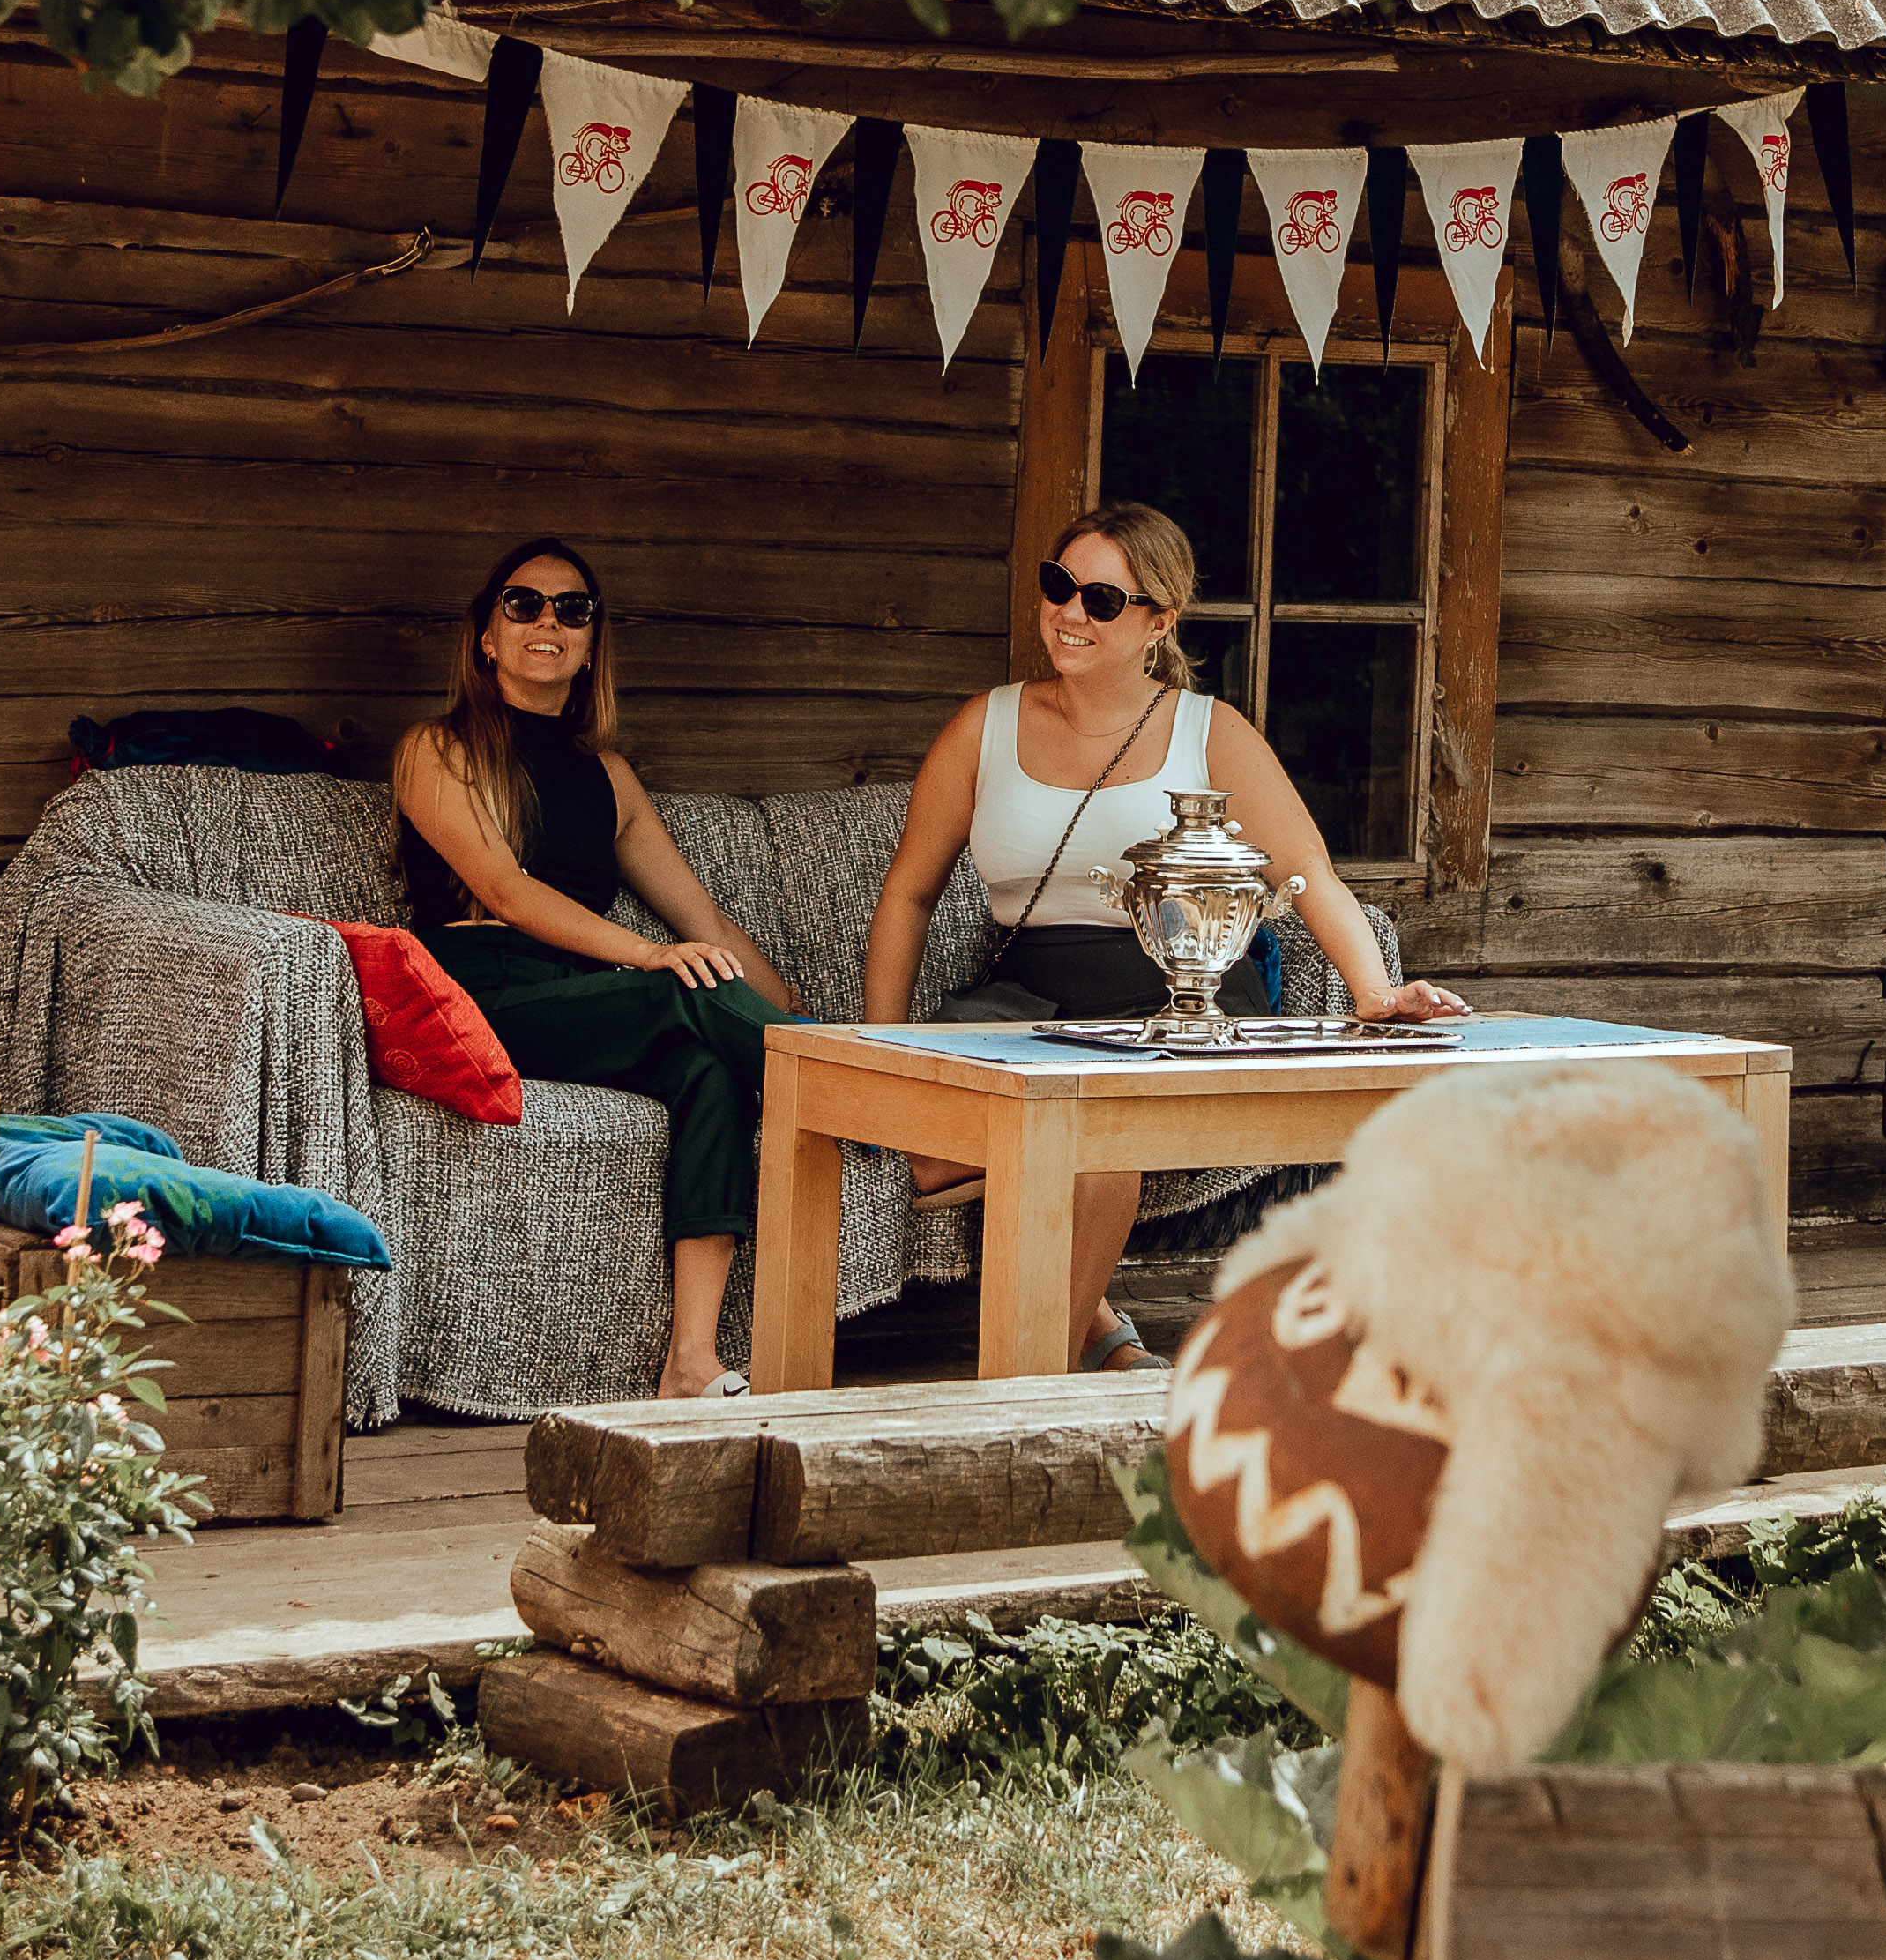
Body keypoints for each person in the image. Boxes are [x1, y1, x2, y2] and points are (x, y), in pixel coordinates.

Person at [862, 500, 1465, 1373]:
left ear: (1159, 620)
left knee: (1093, 1143)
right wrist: (881, 1047)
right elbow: (908, 895)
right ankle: (1099, 1336)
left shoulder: (1207, 730)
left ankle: (1026, 1380)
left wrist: (1376, 992)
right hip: (1028, 999)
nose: (1070, 613)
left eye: (1102, 600)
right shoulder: (983, 726)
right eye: (1058, 586)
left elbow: (1307, 874)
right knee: (933, 1145)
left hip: (1173, 989)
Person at [391, 540, 810, 1401]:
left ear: (590, 641)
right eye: (524, 604)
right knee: (677, 989)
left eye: (572, 609)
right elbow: (506, 891)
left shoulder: (607, 776)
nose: (548, 621)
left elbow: (705, 921)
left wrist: (789, 1006)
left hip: (579, 996)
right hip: (481, 990)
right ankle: (881, 1103)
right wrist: (654, 957)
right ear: (486, 634)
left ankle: (691, 1360)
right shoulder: (438, 748)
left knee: (706, 1072)